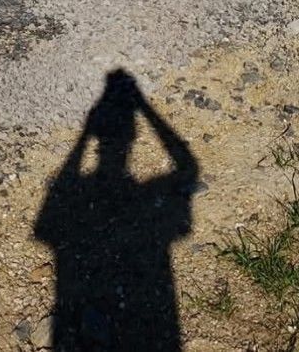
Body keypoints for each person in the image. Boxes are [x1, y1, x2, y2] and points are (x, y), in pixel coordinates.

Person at [34, 69, 198, 351]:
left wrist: (85, 136)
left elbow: (53, 209)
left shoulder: (82, 199)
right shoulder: (148, 199)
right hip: (155, 316)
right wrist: (144, 107)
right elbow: (188, 168)